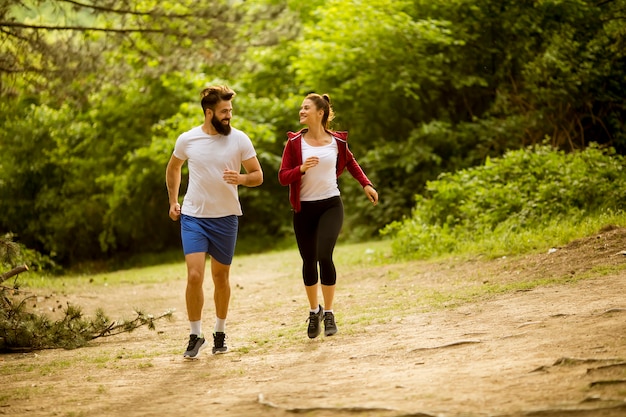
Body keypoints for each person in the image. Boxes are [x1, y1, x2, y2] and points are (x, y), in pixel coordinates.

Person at [166, 85, 263, 359]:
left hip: (226, 217)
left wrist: (241, 179)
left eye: (230, 111)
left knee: (221, 278)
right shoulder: (188, 140)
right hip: (194, 216)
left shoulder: (239, 139)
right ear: (209, 113)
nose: (229, 116)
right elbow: (173, 167)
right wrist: (174, 200)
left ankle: (220, 330)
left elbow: (257, 175)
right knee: (194, 275)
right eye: (224, 111)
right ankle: (195, 335)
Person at [278, 93, 378, 339]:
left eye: (306, 108)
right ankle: (315, 312)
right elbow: (282, 177)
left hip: (331, 204)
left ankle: (330, 312)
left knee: (325, 255)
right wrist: (300, 169)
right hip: (304, 209)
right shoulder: (294, 144)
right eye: (301, 108)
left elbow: (351, 163)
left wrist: (366, 184)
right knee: (309, 260)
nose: (301, 111)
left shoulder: (337, 142)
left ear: (320, 113)